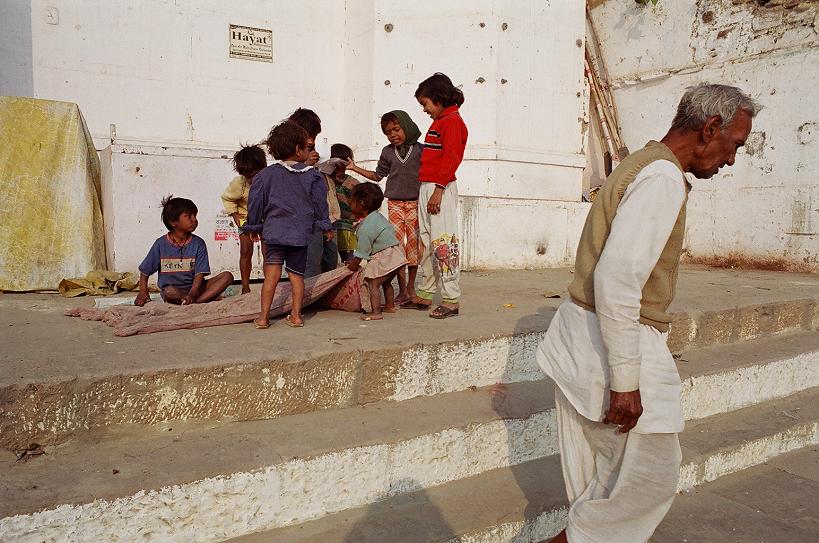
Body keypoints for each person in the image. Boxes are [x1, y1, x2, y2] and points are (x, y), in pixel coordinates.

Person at [539, 83, 760, 543]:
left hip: (587, 339)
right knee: (647, 481)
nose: (731, 160)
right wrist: (625, 382)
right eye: (735, 145)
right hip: (616, 343)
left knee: (601, 491)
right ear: (710, 128)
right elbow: (618, 279)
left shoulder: (642, 163)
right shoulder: (661, 178)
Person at [242, 120, 333, 329]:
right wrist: (325, 226)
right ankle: (296, 316)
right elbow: (320, 204)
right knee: (296, 276)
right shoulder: (313, 176)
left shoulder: (265, 175)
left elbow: (255, 203)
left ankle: (263, 318)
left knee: (271, 276)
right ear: (298, 149)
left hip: (274, 234)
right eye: (308, 147)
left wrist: (253, 227)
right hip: (300, 236)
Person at [404, 73, 467, 319]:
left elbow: (452, 158)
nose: (425, 109)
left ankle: (451, 299)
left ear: (438, 99)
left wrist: (439, 190)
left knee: (444, 243)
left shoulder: (452, 122)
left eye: (425, 103)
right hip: (428, 186)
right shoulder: (441, 121)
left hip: (440, 188)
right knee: (427, 240)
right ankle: (426, 293)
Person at [346, 110, 423, 305]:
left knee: (413, 247)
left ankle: (411, 287)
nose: (393, 135)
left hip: (415, 203)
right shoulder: (387, 152)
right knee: (396, 247)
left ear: (407, 126)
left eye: (396, 129)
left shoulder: (420, 150)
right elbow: (377, 175)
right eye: (388, 132)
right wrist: (354, 168)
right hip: (395, 203)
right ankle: (402, 290)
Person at [135, 196, 234, 306]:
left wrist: (192, 294)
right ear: (173, 222)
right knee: (169, 292)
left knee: (227, 276)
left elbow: (200, 274)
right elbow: (145, 271)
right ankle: (200, 300)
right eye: (189, 216)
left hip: (196, 289)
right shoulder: (160, 244)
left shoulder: (198, 243)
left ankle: (195, 301)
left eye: (195, 215)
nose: (194, 220)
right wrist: (143, 292)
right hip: (175, 292)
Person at [288, 107, 339, 277]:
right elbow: (290, 177)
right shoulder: (289, 152)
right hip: (305, 219)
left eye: (314, 136)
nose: (311, 140)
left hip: (322, 216)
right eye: (308, 135)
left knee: (327, 260)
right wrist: (306, 163)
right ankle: (309, 292)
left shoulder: (313, 149)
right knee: (310, 263)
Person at [346, 183, 408, 321]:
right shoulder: (377, 217)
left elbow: (362, 251)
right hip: (396, 254)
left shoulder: (366, 226)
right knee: (386, 282)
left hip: (384, 256)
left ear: (361, 203)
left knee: (373, 283)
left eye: (352, 200)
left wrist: (353, 265)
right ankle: (390, 305)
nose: (350, 203)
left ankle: (376, 312)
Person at [221, 144, 267, 294]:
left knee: (268, 253)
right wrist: (234, 215)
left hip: (265, 220)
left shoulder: (269, 180)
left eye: (254, 175)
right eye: (248, 176)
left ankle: (269, 284)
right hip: (245, 220)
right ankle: (245, 287)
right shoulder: (239, 184)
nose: (251, 179)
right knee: (246, 251)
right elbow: (227, 198)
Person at [325, 143, 360, 262]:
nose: (338, 168)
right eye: (335, 165)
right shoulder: (324, 180)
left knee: (348, 259)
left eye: (342, 165)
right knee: (329, 259)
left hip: (347, 226)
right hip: (330, 225)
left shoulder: (353, 183)